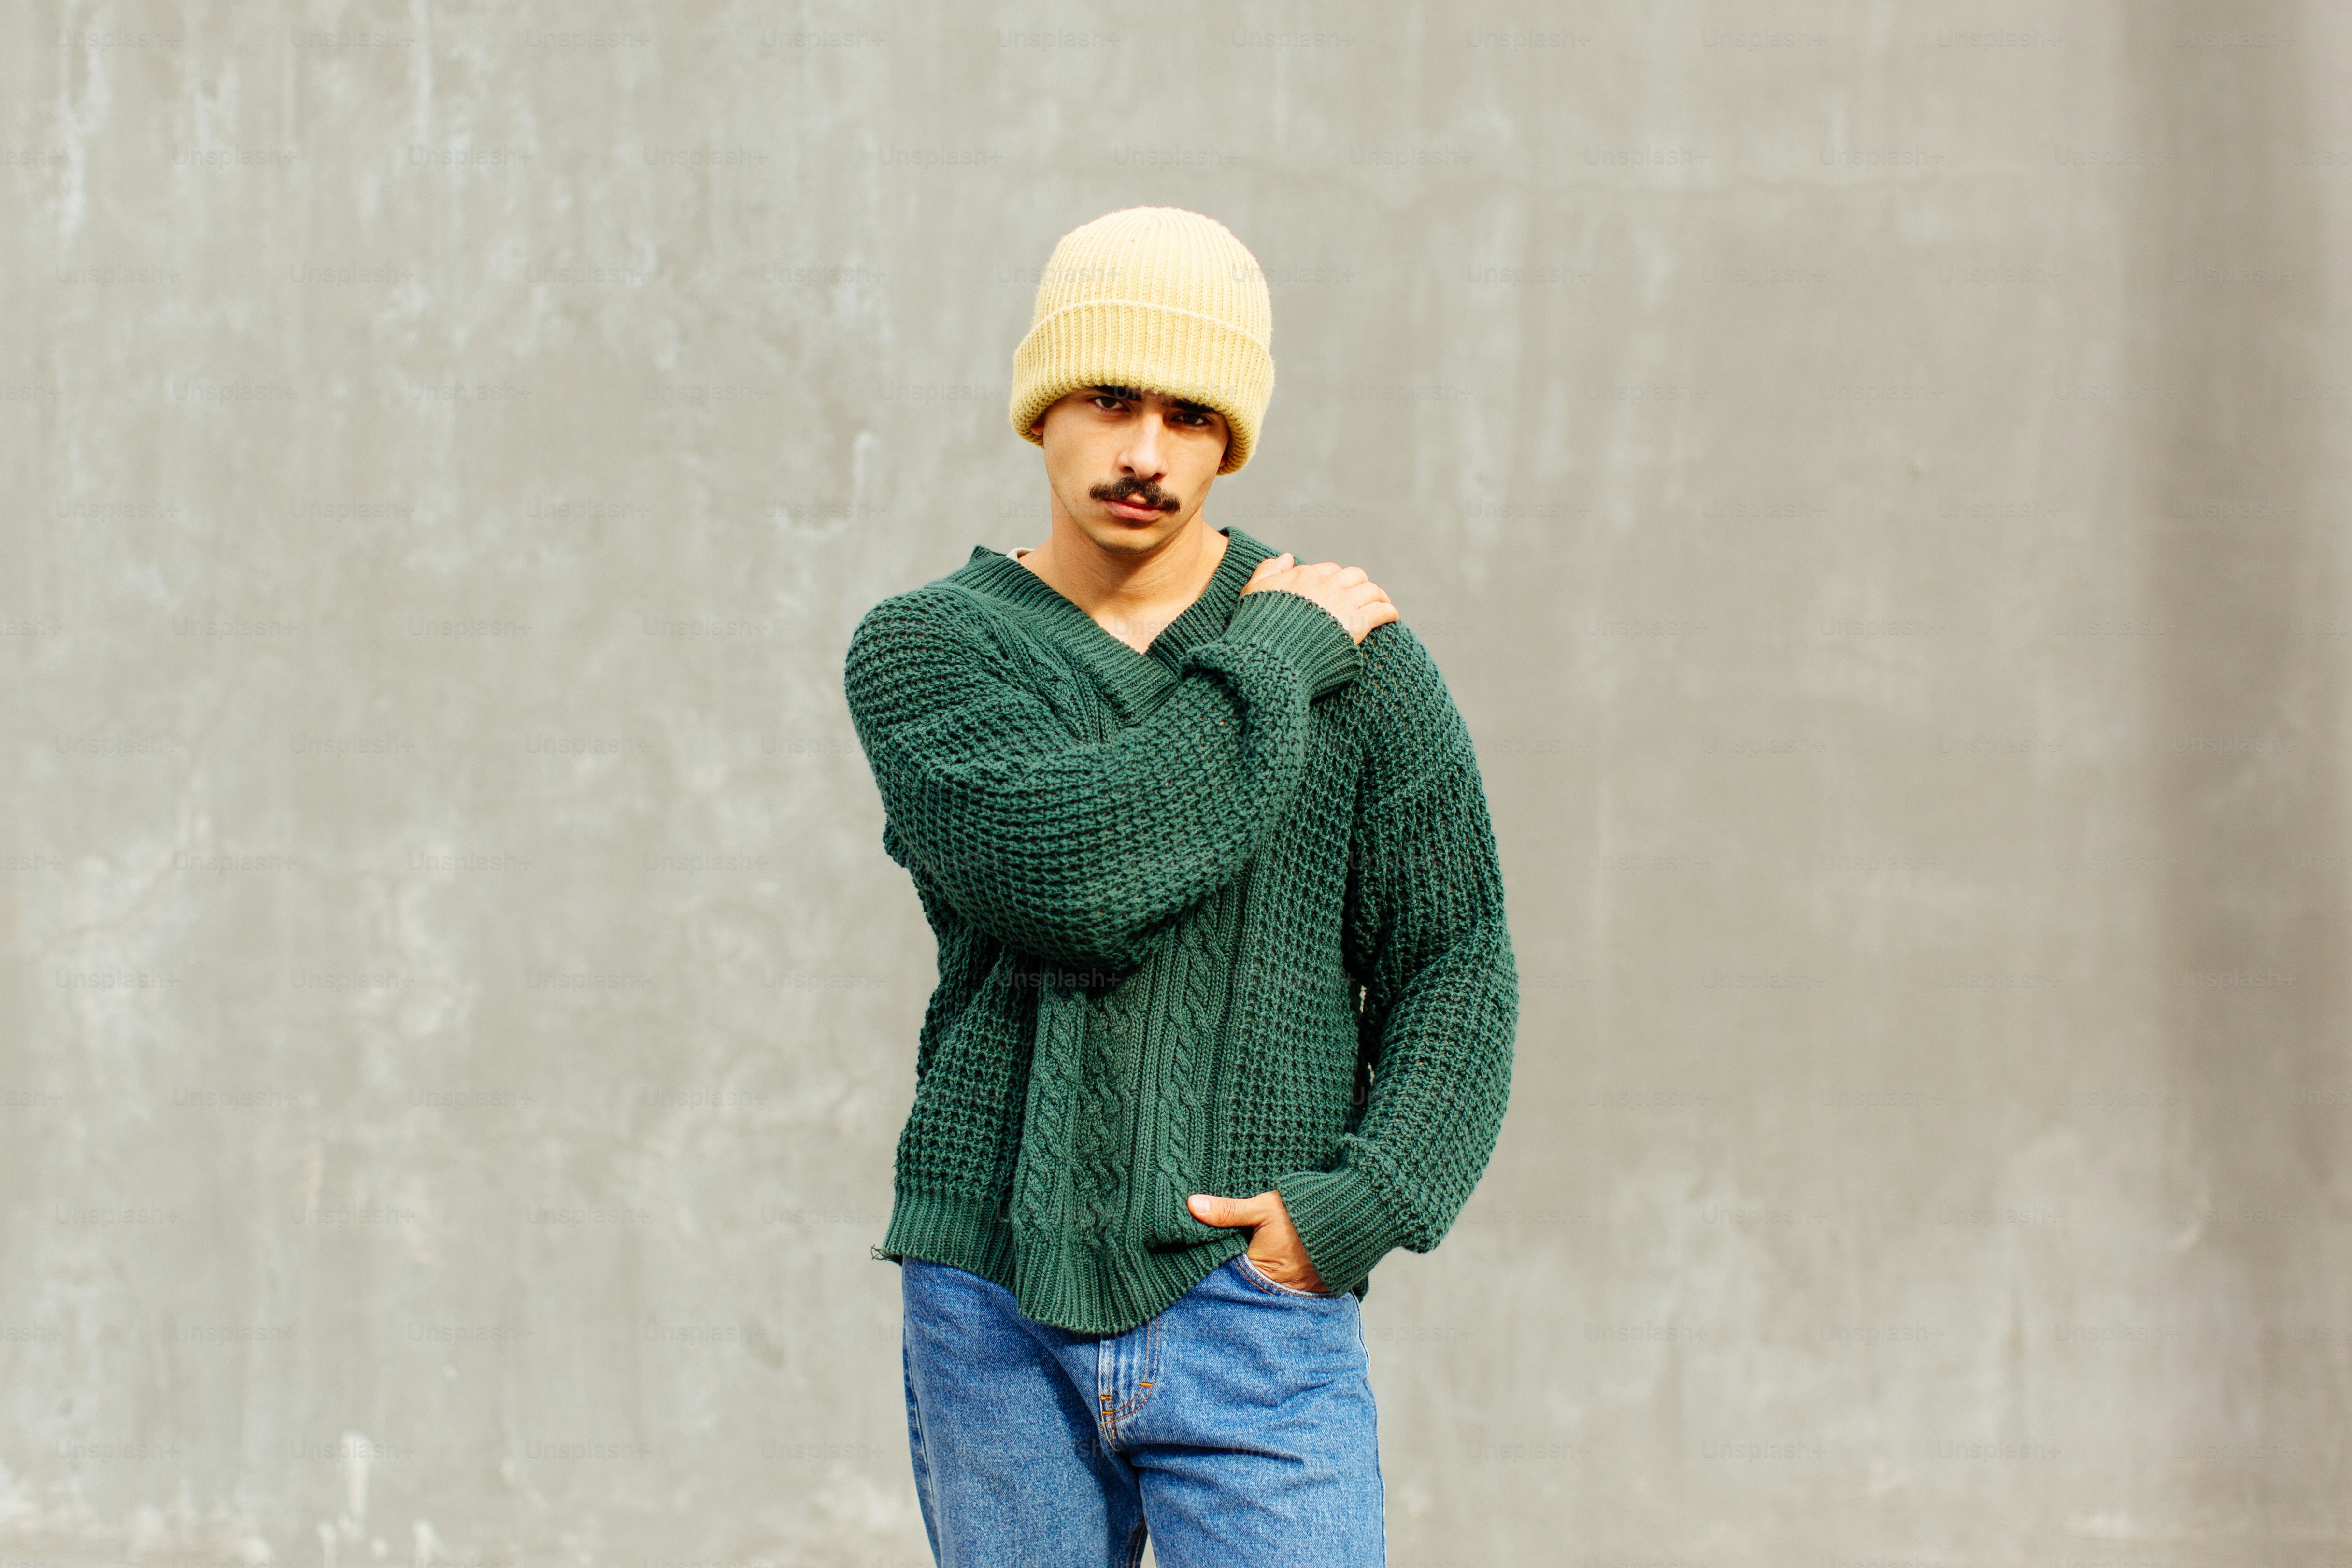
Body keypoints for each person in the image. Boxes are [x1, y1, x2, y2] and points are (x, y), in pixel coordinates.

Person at [842, 205, 1518, 1567]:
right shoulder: (929, 652)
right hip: (994, 1300)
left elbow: (1458, 957)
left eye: (1193, 416)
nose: (1147, 452)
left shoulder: (1368, 668)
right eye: (1109, 400)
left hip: (1250, 1305)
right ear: (1042, 409)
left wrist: (1357, 1210)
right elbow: (1075, 876)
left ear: (1231, 437)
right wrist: (1268, 657)